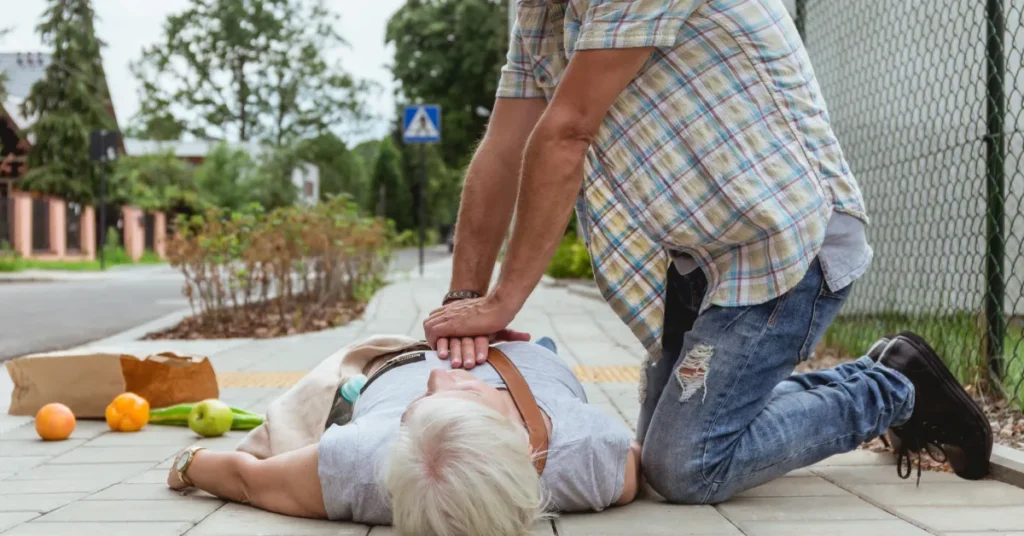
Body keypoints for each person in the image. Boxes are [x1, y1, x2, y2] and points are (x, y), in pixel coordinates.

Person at [423, 0, 992, 503]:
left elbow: (567, 130)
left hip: (782, 245)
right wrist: (465, 301)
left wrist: (503, 302)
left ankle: (894, 386)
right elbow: (503, 147)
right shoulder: (540, 11)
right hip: (701, 260)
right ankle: (847, 385)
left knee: (685, 468)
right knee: (659, 451)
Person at [166, 339, 641, 536]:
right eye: (458, 391)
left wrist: (187, 462)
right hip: (527, 354)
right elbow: (639, 463)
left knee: (347, 383)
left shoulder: (362, 463)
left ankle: (355, 395)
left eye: (420, 408)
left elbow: (248, 480)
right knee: (540, 348)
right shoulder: (592, 455)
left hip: (402, 360)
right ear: (516, 431)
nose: (439, 380)